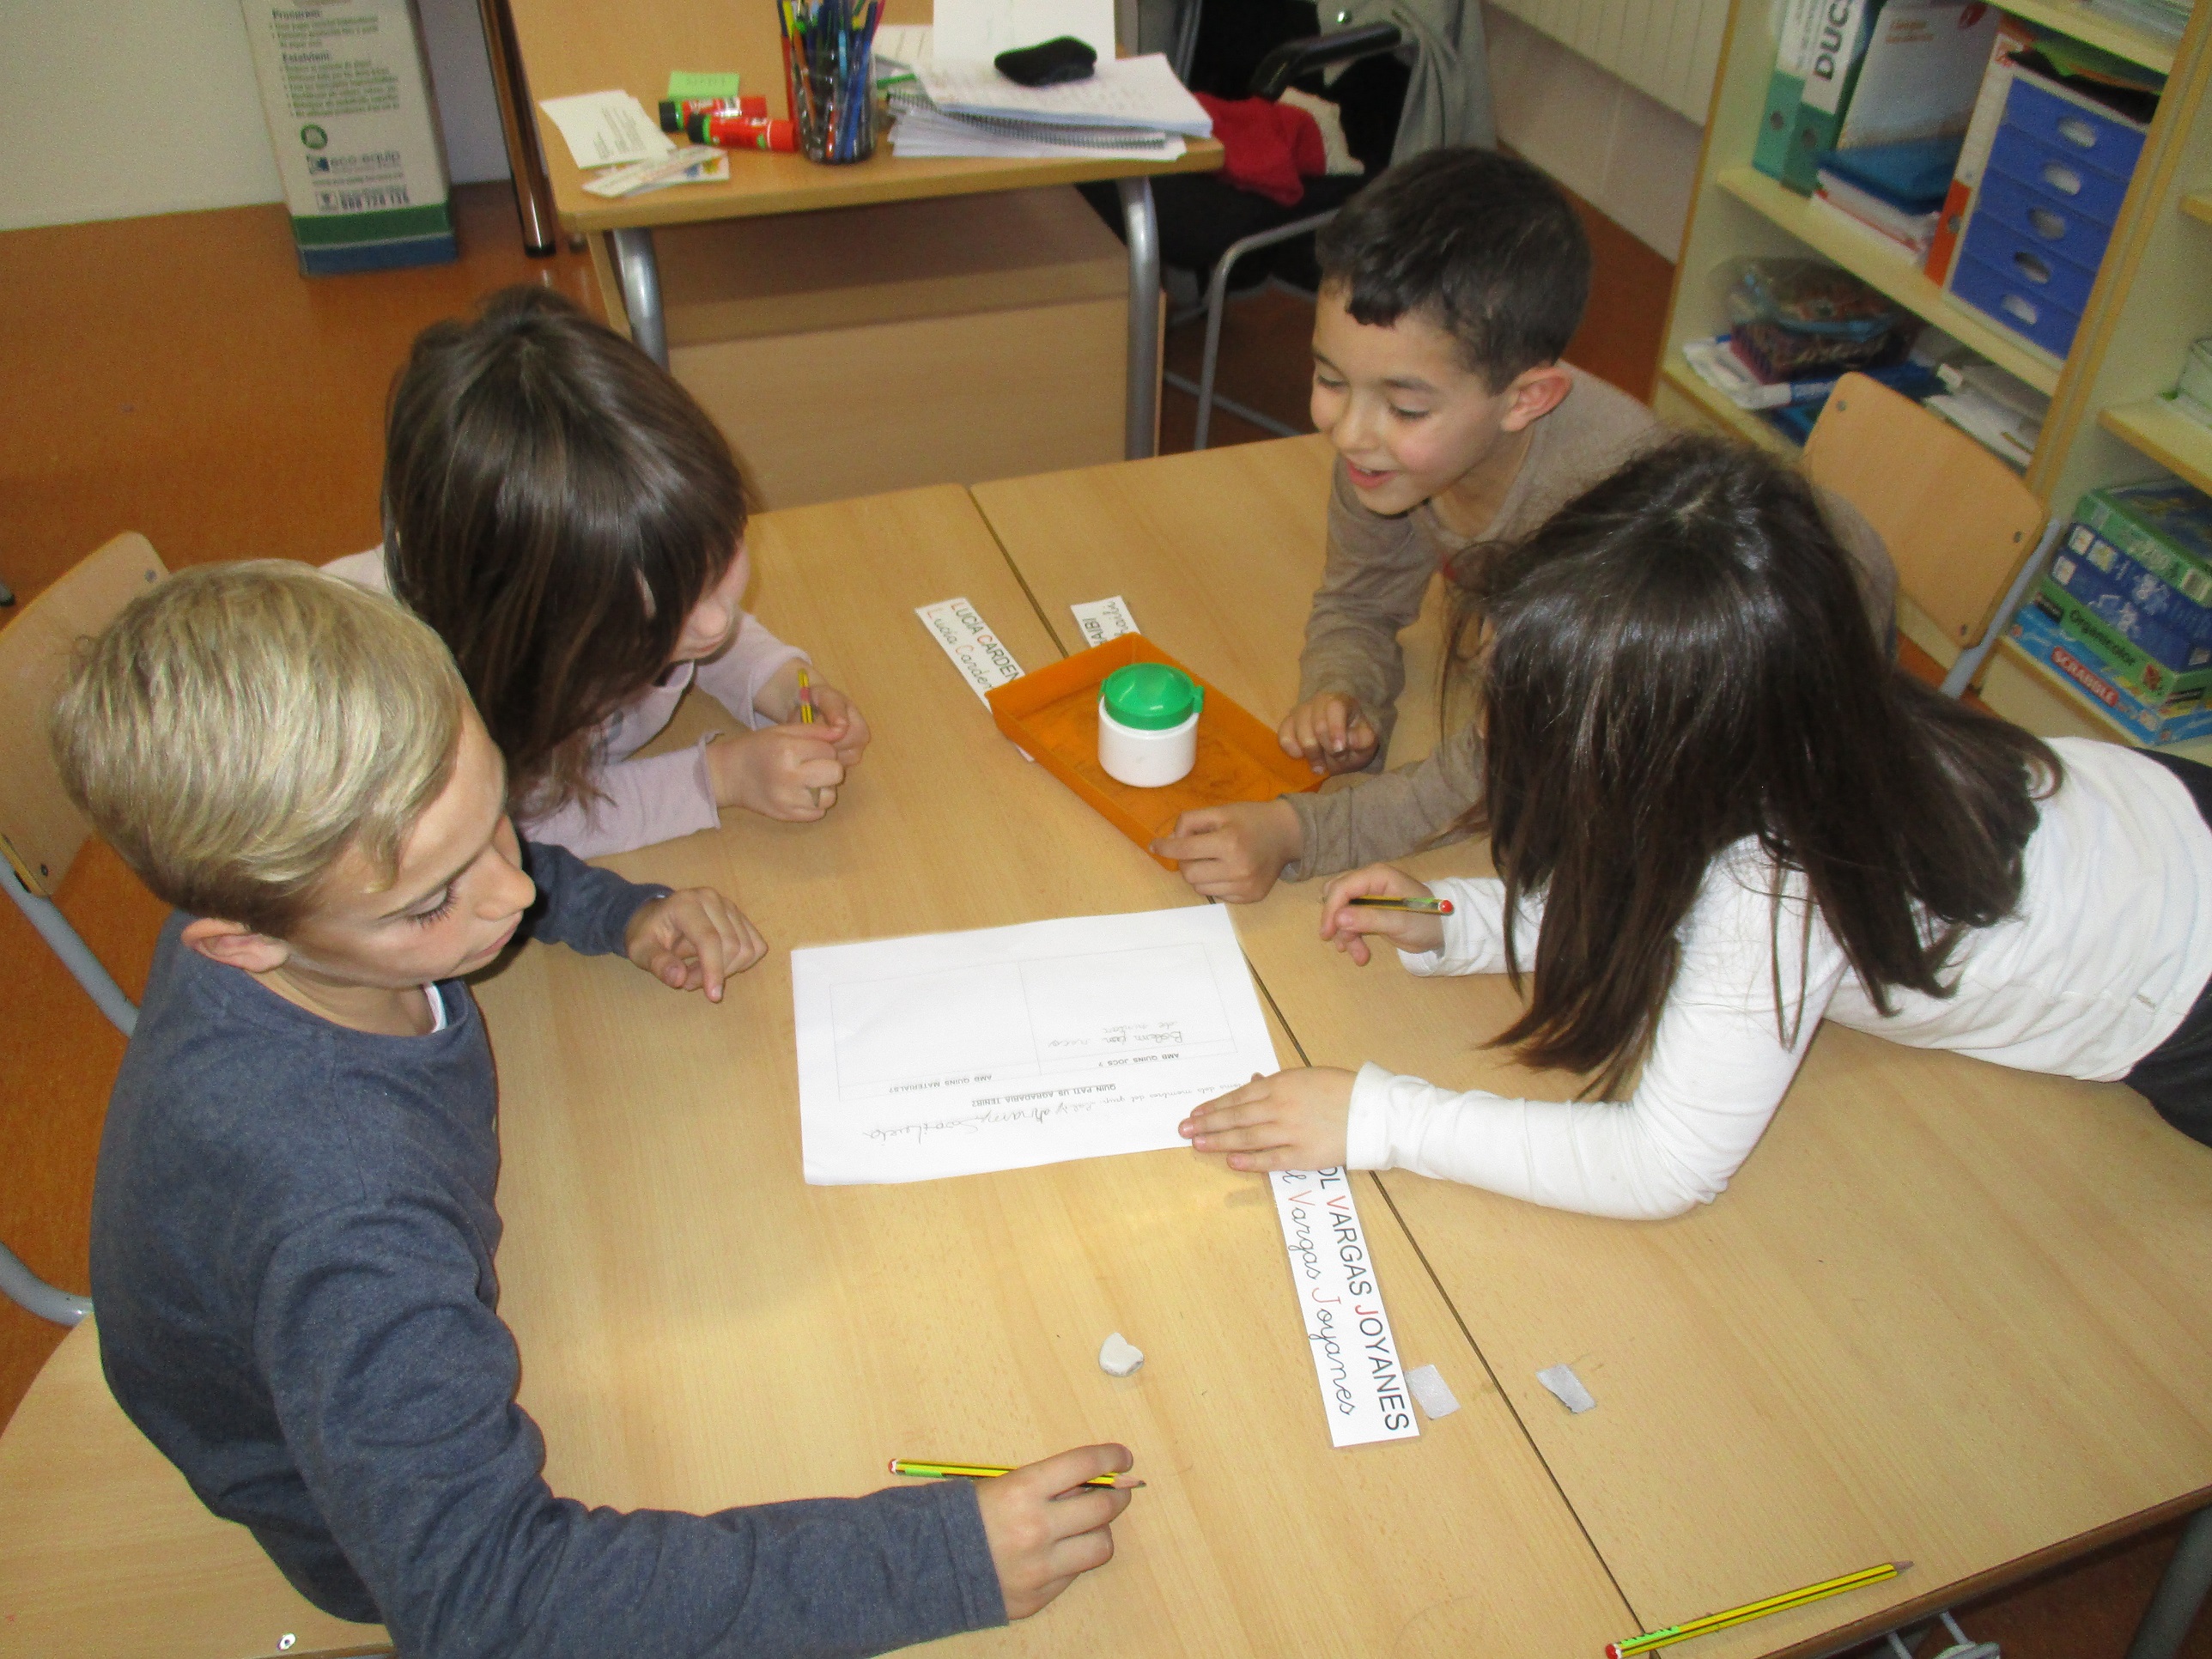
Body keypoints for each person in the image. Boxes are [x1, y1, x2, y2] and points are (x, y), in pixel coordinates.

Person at [54, 562, 1133, 1656]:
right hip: (367, 1523)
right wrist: (930, 1563)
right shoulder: (345, 1215)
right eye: (432, 904)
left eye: (494, 819)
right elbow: (490, 1604)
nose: (513, 891)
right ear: (241, 942)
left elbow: (470, 860)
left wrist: (616, 912)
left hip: (404, 1343)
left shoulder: (289, 890)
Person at [1176, 437, 2212, 1218]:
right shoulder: (1788, 718)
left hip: (2185, 1000)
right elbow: (1654, 900)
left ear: (1663, 757)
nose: (1489, 730)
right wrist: (1455, 922)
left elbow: (1659, 1164)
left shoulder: (1776, 884)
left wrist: (1373, 1118)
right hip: (2155, 823)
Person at [1151, 148, 1895, 901]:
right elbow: (1359, 598)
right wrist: (1345, 693)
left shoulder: (1600, 530)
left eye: (1404, 408)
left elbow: (1505, 769)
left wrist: (1300, 832)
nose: (1348, 431)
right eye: (1329, 378)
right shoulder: (1395, 450)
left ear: (1527, 400)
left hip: (1790, 698)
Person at [328, 285, 869, 860]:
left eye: (719, 566)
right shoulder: (432, 710)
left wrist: (776, 680)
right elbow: (522, 828)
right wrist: (720, 777)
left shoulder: (625, 593)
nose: (715, 623)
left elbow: (697, 616)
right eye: (660, 617)